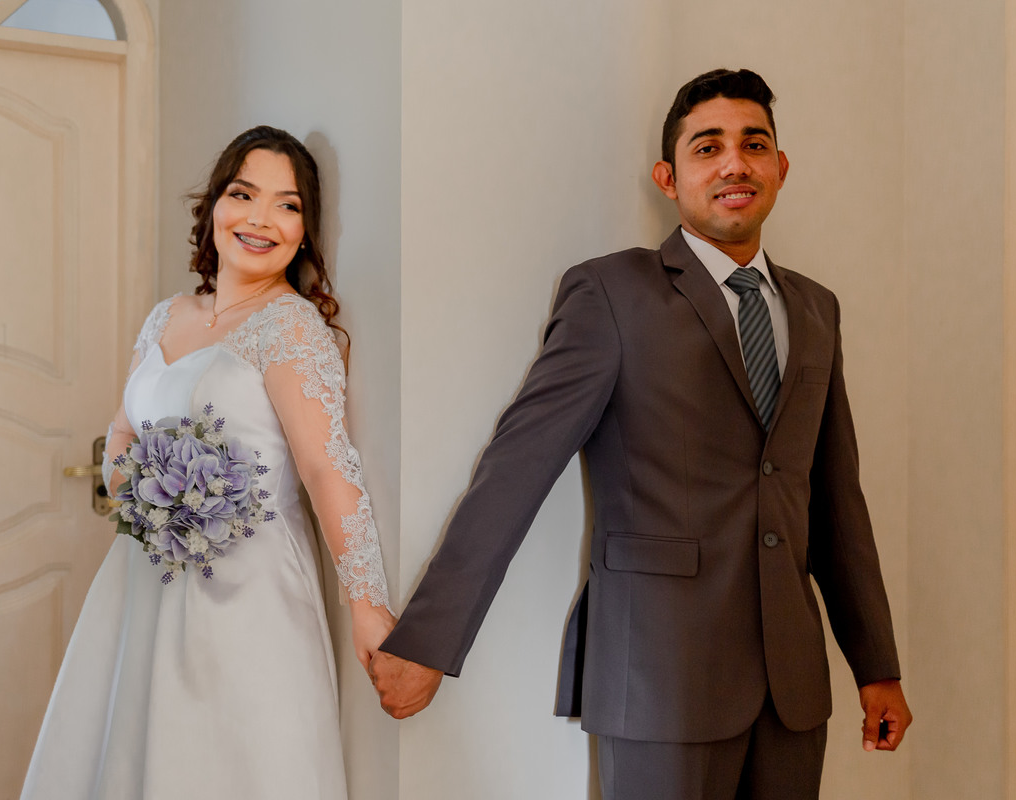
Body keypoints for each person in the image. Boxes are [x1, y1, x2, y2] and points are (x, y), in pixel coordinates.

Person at [369, 69, 912, 798]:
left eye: (754, 145)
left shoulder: (818, 309)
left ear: (780, 167)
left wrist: (876, 666)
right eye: (707, 147)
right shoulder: (611, 295)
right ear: (668, 177)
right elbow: (516, 469)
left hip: (792, 689)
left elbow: (837, 501)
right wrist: (429, 642)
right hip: (658, 676)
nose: (734, 163)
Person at [21, 126, 395, 799]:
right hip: (145, 576)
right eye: (243, 194)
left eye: (287, 205)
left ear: (305, 232)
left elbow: (326, 471)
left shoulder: (291, 328)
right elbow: (121, 433)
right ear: (215, 205)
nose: (260, 219)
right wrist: (145, 496)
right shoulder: (166, 316)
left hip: (249, 593)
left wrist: (368, 604)